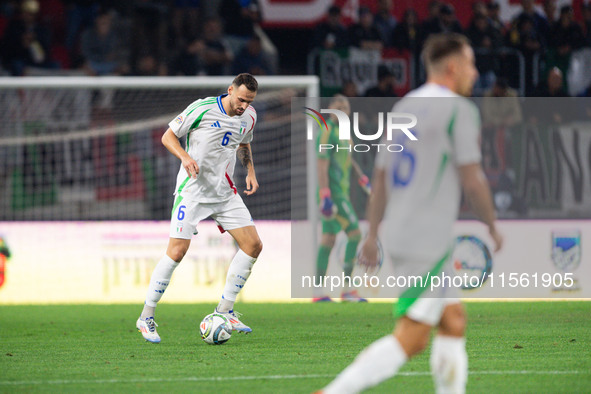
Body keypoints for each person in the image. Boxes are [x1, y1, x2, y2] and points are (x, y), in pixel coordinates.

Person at [320, 33, 503, 393]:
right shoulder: (459, 110)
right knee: (412, 337)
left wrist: (373, 235)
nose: (475, 72)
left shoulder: (404, 106)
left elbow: (381, 176)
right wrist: (493, 225)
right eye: (470, 63)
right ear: (452, 67)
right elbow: (473, 178)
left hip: (404, 231)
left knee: (453, 319)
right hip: (427, 238)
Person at [137, 73, 263, 343]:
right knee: (177, 251)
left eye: (248, 101)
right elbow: (168, 136)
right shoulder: (202, 108)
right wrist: (184, 157)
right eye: (240, 99)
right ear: (230, 90)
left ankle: (225, 310)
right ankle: (146, 316)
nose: (243, 106)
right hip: (193, 191)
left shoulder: (249, 116)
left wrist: (250, 170)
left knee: (253, 245)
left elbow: (244, 142)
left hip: (224, 192)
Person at [314, 95, 371, 303]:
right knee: (355, 234)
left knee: (328, 240)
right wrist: (325, 195)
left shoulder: (345, 133)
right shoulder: (327, 130)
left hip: (342, 192)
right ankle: (347, 290)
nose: (342, 110)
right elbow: (322, 163)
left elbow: (350, 160)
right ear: (330, 109)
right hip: (333, 194)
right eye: (338, 106)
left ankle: (318, 291)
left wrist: (362, 179)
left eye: (345, 107)